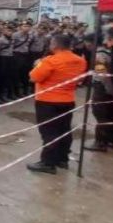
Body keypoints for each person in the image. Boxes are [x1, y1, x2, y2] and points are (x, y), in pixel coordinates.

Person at [27, 34, 86, 174]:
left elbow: (33, 77)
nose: (50, 45)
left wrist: (38, 65)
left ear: (56, 45)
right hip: (68, 100)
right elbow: (79, 80)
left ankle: (48, 163)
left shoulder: (50, 61)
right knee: (64, 130)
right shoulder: (80, 61)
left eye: (51, 43)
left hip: (48, 101)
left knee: (49, 132)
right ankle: (62, 159)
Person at [85, 27, 113, 151]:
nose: (86, 45)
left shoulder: (100, 55)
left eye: (86, 42)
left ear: (91, 42)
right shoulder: (110, 50)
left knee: (100, 114)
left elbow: (102, 75)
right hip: (111, 87)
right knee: (109, 115)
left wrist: (112, 91)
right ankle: (110, 140)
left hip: (102, 88)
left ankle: (100, 143)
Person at [0, 23, 16, 102]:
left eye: (11, 31)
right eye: (8, 31)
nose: (9, 32)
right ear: (4, 31)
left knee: (6, 77)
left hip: (9, 58)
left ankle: (2, 94)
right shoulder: (0, 39)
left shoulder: (12, 39)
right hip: (2, 59)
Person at [12, 21, 32, 96]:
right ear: (21, 26)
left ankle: (25, 91)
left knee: (25, 74)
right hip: (17, 55)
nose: (26, 27)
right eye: (25, 26)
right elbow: (12, 45)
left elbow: (29, 45)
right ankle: (16, 92)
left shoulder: (31, 35)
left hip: (25, 56)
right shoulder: (15, 35)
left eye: (28, 26)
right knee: (16, 74)